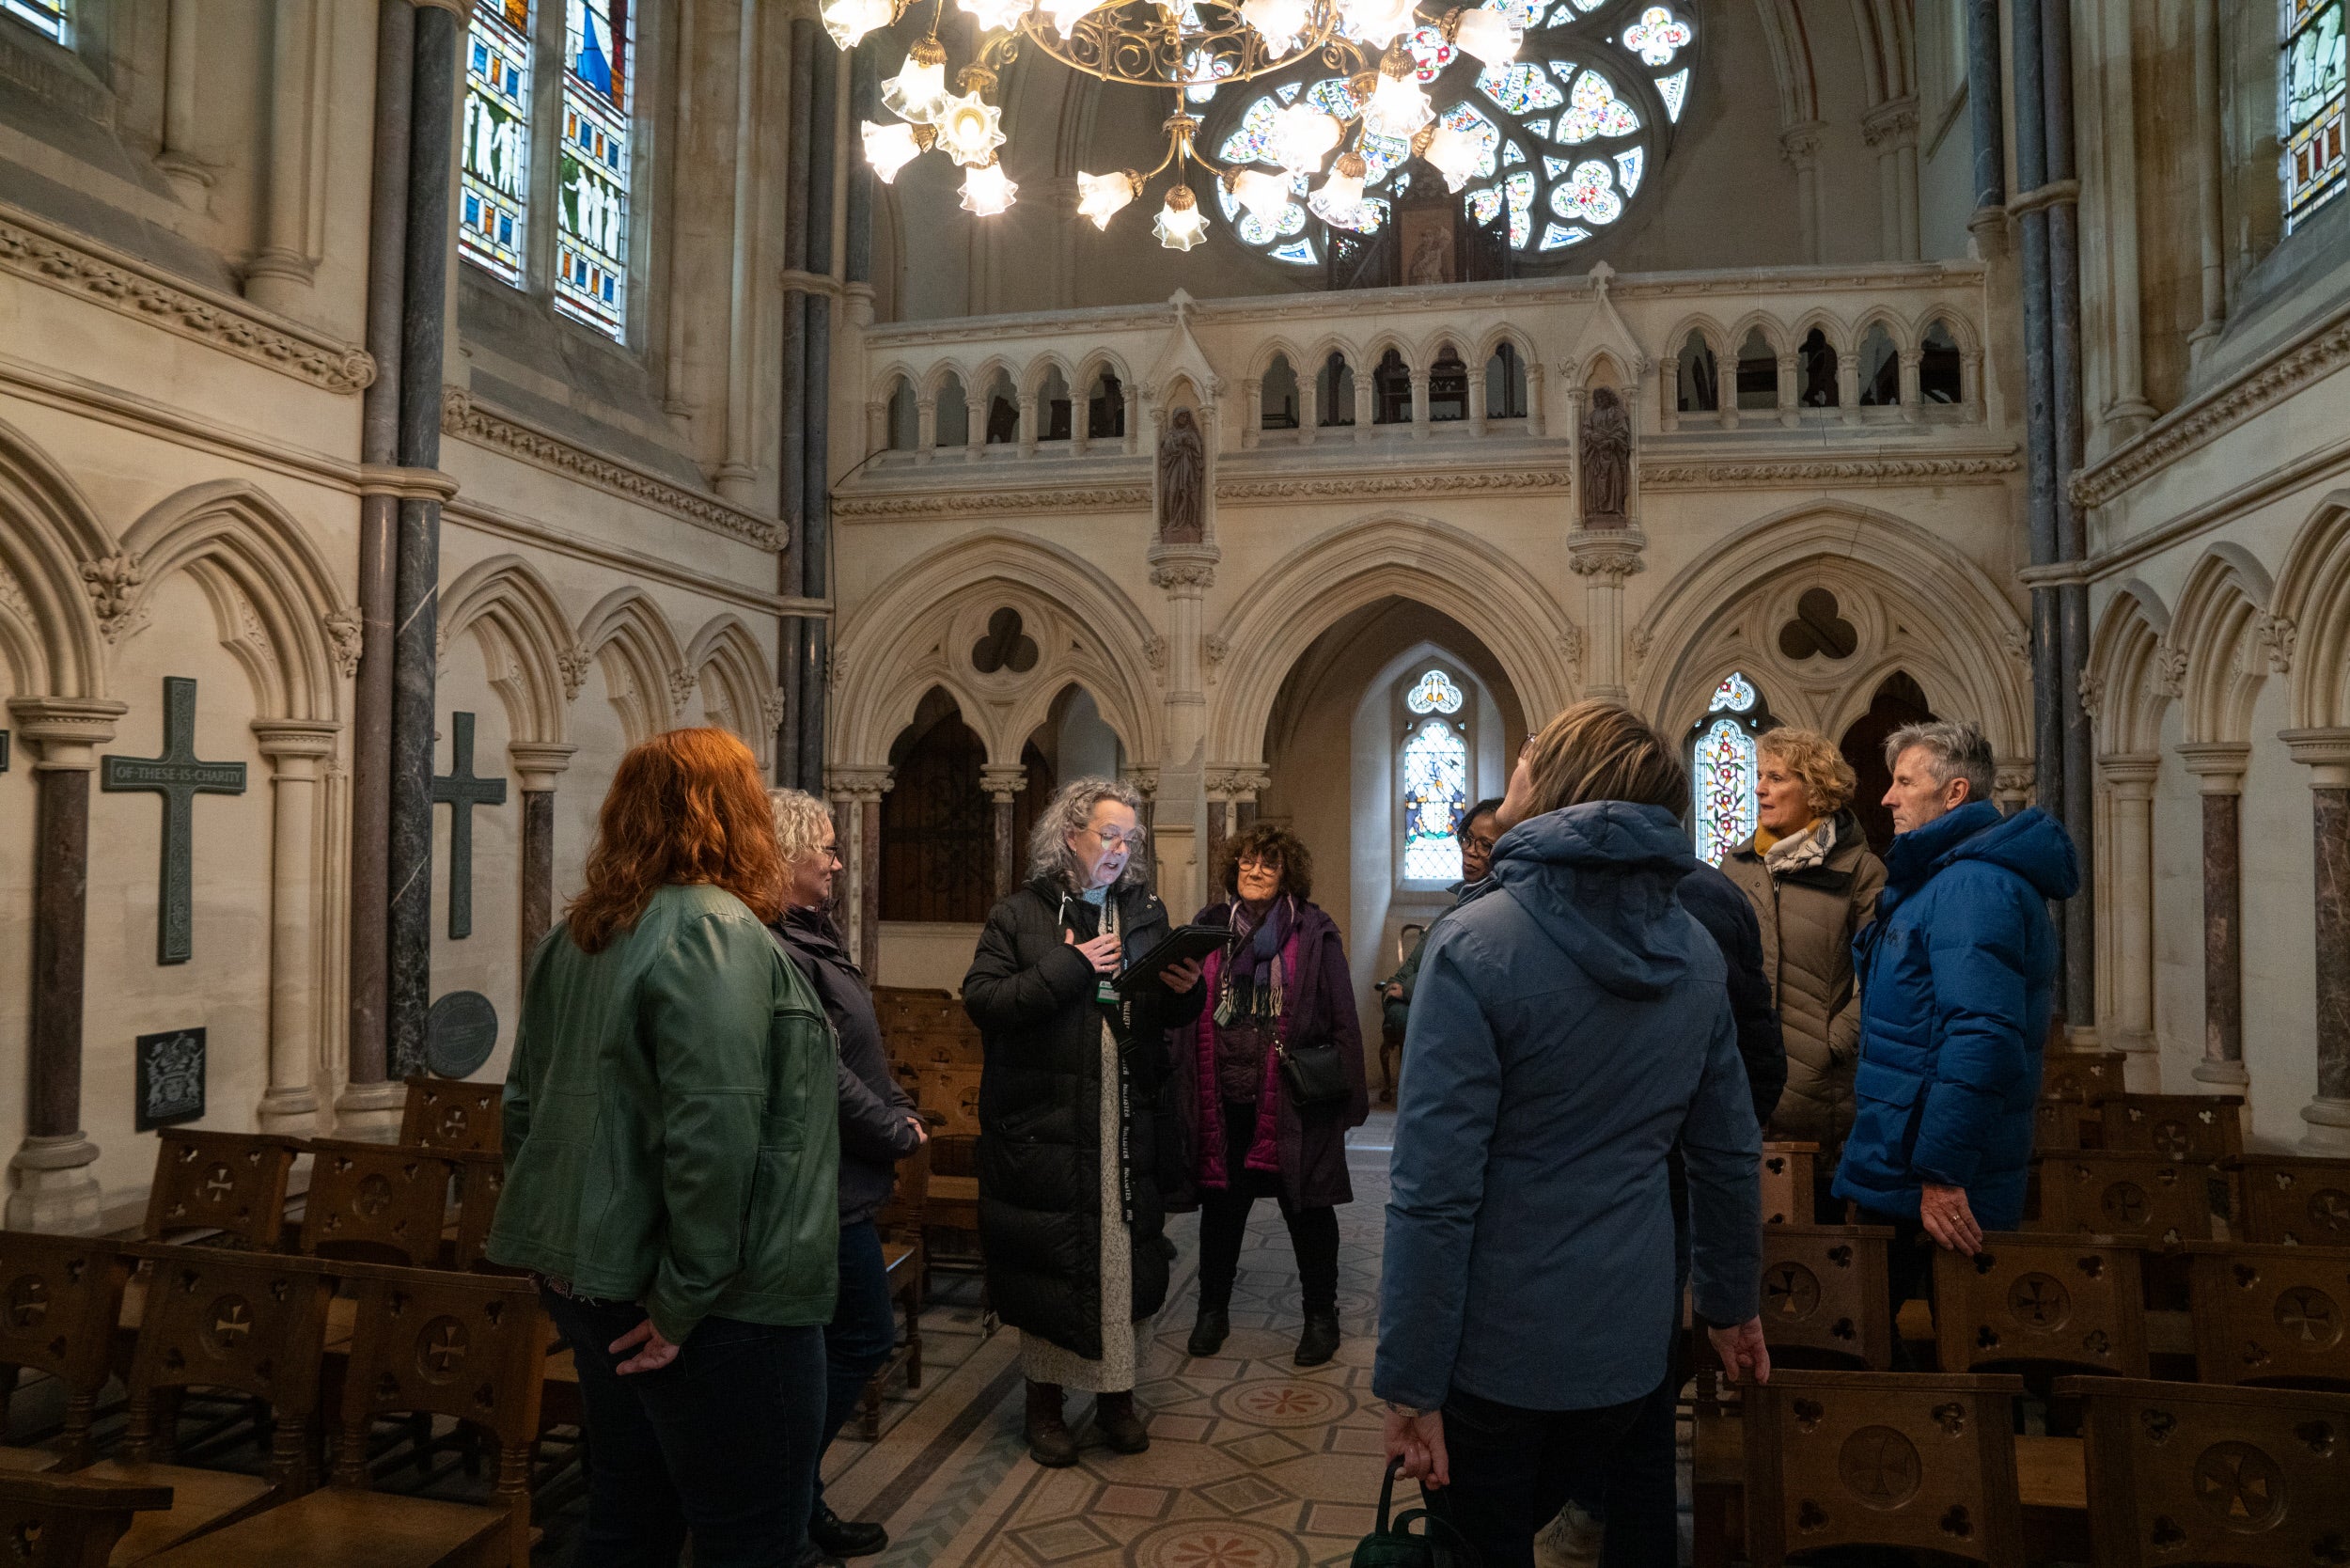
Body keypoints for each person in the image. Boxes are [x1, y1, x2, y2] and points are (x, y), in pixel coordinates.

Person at [1378, 701, 1768, 1568]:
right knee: (1634, 1539)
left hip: (1498, 1344)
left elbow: (1432, 1192)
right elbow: (1727, 1154)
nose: (1515, 762)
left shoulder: (1474, 945)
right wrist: (1732, 1303)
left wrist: (1409, 1378)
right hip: (1634, 1335)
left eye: (1532, 754)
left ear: (1559, 784)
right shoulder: (1696, 950)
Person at [489, 729, 839, 1567]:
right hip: (722, 1304)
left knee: (629, 1517)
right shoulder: (713, 932)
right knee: (750, 1540)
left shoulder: (576, 936)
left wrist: (561, 1255)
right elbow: (714, 1135)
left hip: (601, 1279)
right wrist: (682, 1302)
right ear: (737, 815)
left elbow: (523, 1109)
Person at [963, 779, 1206, 1466]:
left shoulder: (1144, 911)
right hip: (1048, 1125)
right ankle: (1044, 1406)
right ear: (1070, 837)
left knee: (1122, 1260)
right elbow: (984, 1001)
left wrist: (1188, 994)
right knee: (1053, 1260)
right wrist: (1069, 965)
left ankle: (1116, 1401)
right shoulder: (1018, 915)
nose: (1120, 851)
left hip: (1126, 1117)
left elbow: (1163, 1014)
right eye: (1109, 835)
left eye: (1130, 839)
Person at [1832, 719, 2077, 1348]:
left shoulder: (1973, 886)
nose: (1887, 797)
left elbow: (1983, 1037)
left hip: (1930, 1176)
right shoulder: (1944, 880)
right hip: (1905, 1160)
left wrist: (1941, 1174)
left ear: (1955, 792)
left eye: (1905, 782)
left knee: (1948, 1363)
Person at [767, 789, 928, 1561]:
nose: (837, 860)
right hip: (820, 1192)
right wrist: (894, 1128)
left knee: (843, 1342)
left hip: (841, 1188)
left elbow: (861, 1046)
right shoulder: (781, 948)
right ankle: (782, 1489)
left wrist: (897, 1099)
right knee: (861, 1336)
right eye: (823, 849)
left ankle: (798, 1499)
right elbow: (819, 1074)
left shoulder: (812, 936)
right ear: (781, 857)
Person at [1170, 823, 1370, 1369]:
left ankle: (1320, 1317)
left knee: (1308, 1212)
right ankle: (1212, 1312)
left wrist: (1350, 1102)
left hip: (1291, 1102)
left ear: (1287, 874)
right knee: (1221, 1210)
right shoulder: (1209, 927)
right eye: (1247, 863)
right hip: (1224, 1097)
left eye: (1269, 864)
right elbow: (1180, 1007)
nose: (1255, 871)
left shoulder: (1313, 930)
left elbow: (1342, 1018)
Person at [1721, 729, 1887, 1217]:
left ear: (1815, 789)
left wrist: (1836, 1040)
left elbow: (1884, 974)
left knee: (1820, 1246)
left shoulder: (1859, 870)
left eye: (1775, 777)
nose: (1759, 789)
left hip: (1820, 1087)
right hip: (1743, 1079)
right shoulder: (1737, 866)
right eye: (1758, 776)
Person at [1378, 797, 1504, 1050]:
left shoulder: (1500, 918)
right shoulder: (1450, 913)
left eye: (1485, 845)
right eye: (1467, 839)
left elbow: (1466, 1008)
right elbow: (1396, 983)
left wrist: (1410, 991)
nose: (1470, 850)